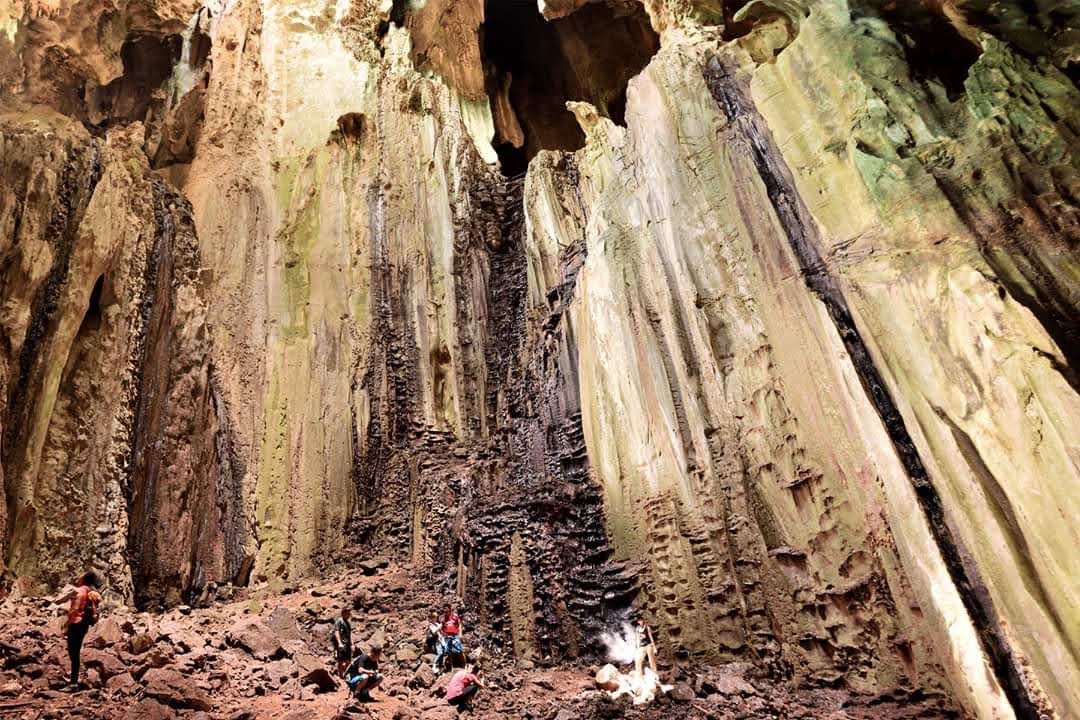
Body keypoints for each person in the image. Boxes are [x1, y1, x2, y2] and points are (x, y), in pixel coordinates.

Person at [62, 571, 102, 692]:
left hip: (76, 623)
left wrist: (66, 625)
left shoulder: (80, 591)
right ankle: (74, 680)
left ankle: (73, 683)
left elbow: (74, 609)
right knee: (76, 651)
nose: (78, 578)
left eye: (81, 576)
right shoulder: (91, 591)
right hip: (84, 624)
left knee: (73, 652)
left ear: (84, 579)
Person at [432, 602, 463, 673]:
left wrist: (460, 634)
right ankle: (451, 667)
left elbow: (459, 624)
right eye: (444, 609)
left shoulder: (455, 616)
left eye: (446, 609)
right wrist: (440, 633)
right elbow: (441, 626)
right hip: (447, 636)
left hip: (455, 635)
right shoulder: (443, 618)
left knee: (460, 650)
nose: (445, 611)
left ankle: (464, 665)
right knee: (449, 652)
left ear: (449, 609)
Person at [331, 607, 353, 676]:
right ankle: (341, 674)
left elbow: (349, 635)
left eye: (349, 613)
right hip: (342, 643)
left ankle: (345, 674)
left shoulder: (348, 623)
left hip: (347, 644)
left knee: (348, 660)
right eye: (347, 613)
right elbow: (336, 631)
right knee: (341, 660)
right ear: (343, 613)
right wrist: (339, 643)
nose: (349, 614)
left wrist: (352, 644)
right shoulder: (339, 621)